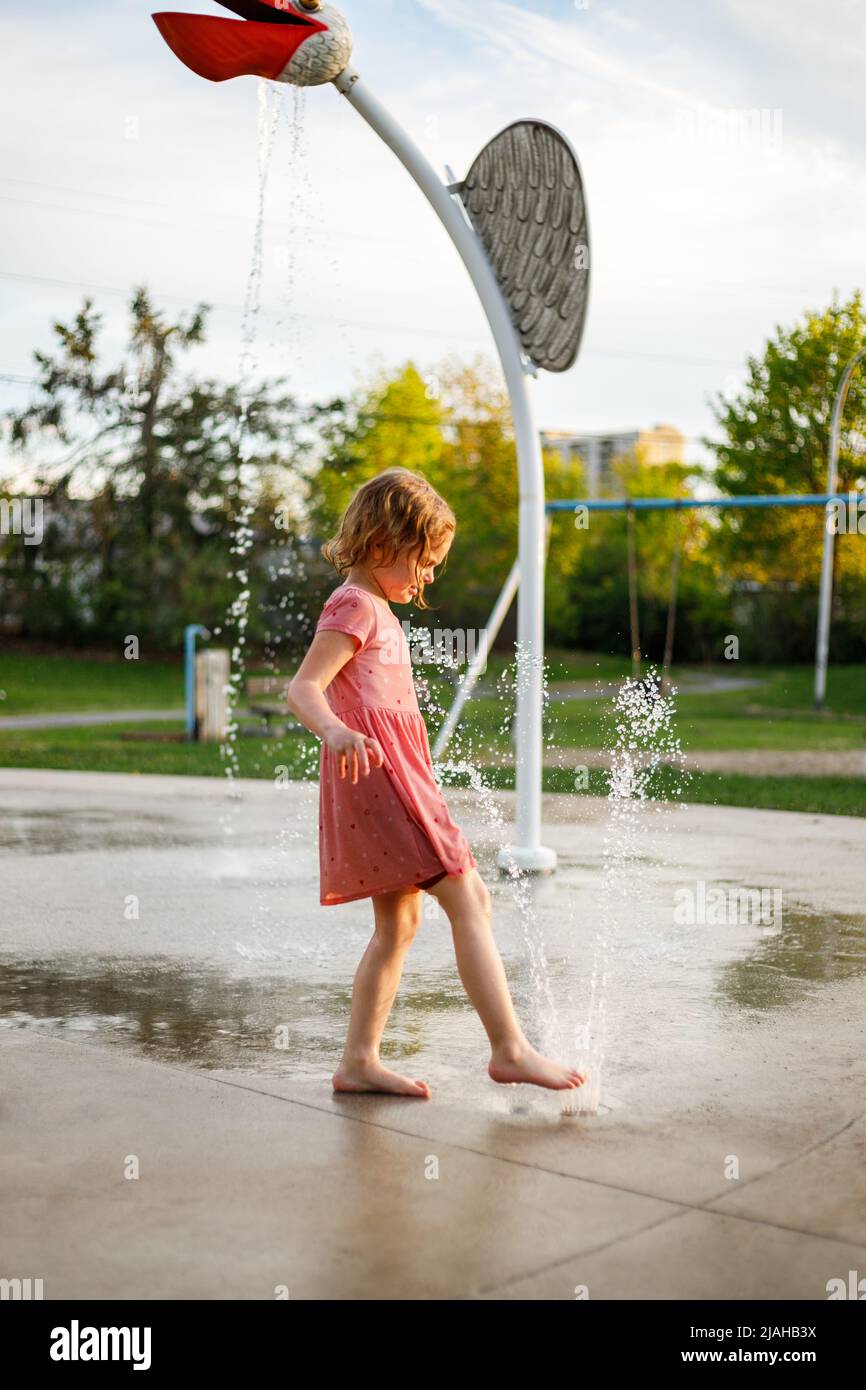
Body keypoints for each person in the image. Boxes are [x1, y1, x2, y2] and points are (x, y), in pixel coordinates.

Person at [288, 468, 585, 1100]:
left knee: (399, 925)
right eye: (423, 562)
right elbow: (304, 688)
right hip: (382, 777)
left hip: (390, 775)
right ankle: (510, 1048)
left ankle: (358, 1061)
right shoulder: (354, 605)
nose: (427, 578)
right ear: (379, 546)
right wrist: (335, 732)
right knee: (469, 897)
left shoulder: (377, 609)